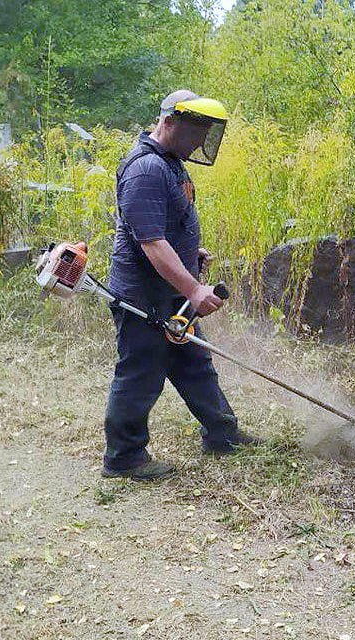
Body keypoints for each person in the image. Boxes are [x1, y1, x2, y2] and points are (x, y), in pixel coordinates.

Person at [101, 90, 259, 480]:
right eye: (193, 132)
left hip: (169, 291)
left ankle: (223, 434)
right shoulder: (145, 169)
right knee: (141, 373)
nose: (198, 142)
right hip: (143, 295)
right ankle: (123, 458)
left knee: (193, 364)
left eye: (204, 134)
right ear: (169, 121)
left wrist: (191, 254)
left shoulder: (171, 164)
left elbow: (166, 227)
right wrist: (193, 288)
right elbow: (151, 242)